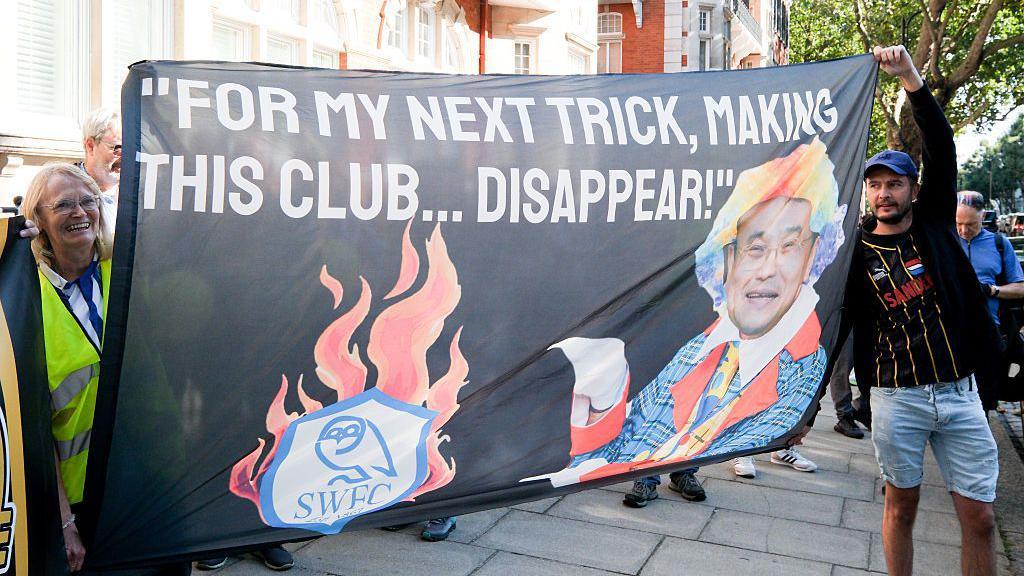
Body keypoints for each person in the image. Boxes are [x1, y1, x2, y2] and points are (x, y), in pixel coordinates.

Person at [524, 136, 846, 501]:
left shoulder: (798, 365)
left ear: (811, 255)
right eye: (755, 249)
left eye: (788, 247)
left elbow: (758, 424)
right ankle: (648, 476)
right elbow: (617, 439)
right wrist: (602, 396)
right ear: (729, 260)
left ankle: (682, 470)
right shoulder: (701, 345)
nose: (767, 269)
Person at [835, 46, 1001, 576]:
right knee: (899, 506)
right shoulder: (854, 252)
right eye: (875, 185)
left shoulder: (933, 226)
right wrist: (803, 412)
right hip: (895, 397)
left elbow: (942, 145)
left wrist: (909, 77)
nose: (884, 194)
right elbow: (831, 328)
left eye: (895, 184)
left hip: (958, 393)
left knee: (980, 520)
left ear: (913, 189)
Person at [21, 164, 190, 575]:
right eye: (63, 204)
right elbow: (34, 433)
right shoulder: (24, 303)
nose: (80, 212)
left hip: (157, 477)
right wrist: (63, 523)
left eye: (88, 200)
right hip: (87, 496)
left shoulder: (133, 270)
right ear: (38, 220)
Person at [77, 107, 122, 228]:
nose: (125, 157)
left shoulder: (139, 194)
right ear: (90, 146)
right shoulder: (63, 189)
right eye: (117, 148)